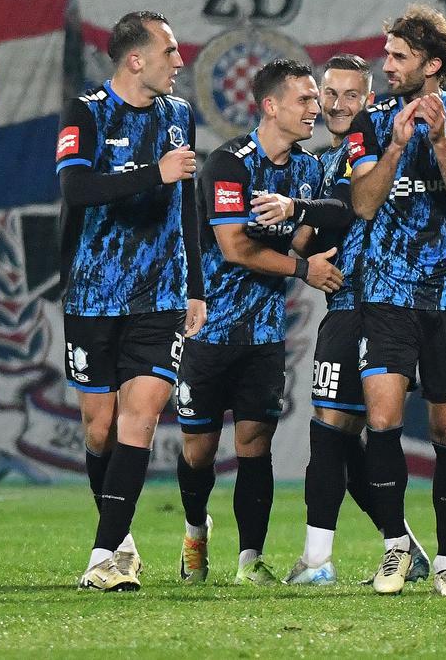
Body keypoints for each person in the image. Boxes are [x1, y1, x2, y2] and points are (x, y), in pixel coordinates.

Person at [347, 6, 446, 597]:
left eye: (399, 57)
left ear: (432, 64)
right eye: (387, 55)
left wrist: (438, 143)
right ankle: (394, 550)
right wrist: (394, 147)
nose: (387, 66)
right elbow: (362, 204)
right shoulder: (369, 121)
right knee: (380, 418)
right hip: (387, 293)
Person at [174, 60, 340, 586]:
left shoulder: (308, 170)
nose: (316, 109)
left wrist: (300, 228)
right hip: (210, 329)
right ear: (270, 107)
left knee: (254, 443)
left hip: (266, 334)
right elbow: (234, 247)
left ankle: (250, 560)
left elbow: (322, 218)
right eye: (305, 100)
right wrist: (301, 268)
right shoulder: (229, 165)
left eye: (316, 99)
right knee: (199, 449)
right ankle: (195, 533)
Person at [59, 11, 204, 591]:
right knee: (99, 428)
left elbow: (186, 203)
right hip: (94, 292)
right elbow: (76, 189)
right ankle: (121, 539)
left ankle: (102, 557)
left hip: (160, 293)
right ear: (135, 59)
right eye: (170, 51)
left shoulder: (180, 117)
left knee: (139, 418)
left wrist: (196, 286)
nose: (180, 60)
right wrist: (153, 173)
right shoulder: (87, 112)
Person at [276, 54, 429, 586]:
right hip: (343, 307)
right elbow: (315, 235)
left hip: (384, 306)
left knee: (335, 434)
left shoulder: (380, 153)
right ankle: (402, 546)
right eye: (328, 95)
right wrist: (299, 253)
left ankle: (318, 561)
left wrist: (296, 210)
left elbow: (347, 209)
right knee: (339, 437)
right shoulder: (321, 160)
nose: (337, 105)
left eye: (350, 95)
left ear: (369, 101)